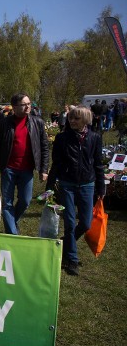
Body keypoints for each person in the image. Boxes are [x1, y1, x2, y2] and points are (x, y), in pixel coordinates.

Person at [46, 106, 105, 276]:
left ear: (86, 120)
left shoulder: (94, 138)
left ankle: (66, 243)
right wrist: (50, 186)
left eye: (76, 118)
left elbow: (98, 163)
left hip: (88, 185)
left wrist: (101, 186)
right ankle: (72, 259)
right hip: (67, 184)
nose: (72, 121)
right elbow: (56, 164)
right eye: (71, 118)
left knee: (86, 223)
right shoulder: (62, 138)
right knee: (70, 223)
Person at [0, 93, 49, 235]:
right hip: (8, 169)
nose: (28, 106)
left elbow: (44, 147)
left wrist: (44, 169)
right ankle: (13, 234)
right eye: (24, 104)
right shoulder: (4, 123)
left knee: (26, 200)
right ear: (15, 107)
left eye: (29, 103)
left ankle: (12, 221)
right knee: (7, 203)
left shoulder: (37, 122)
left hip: (27, 169)